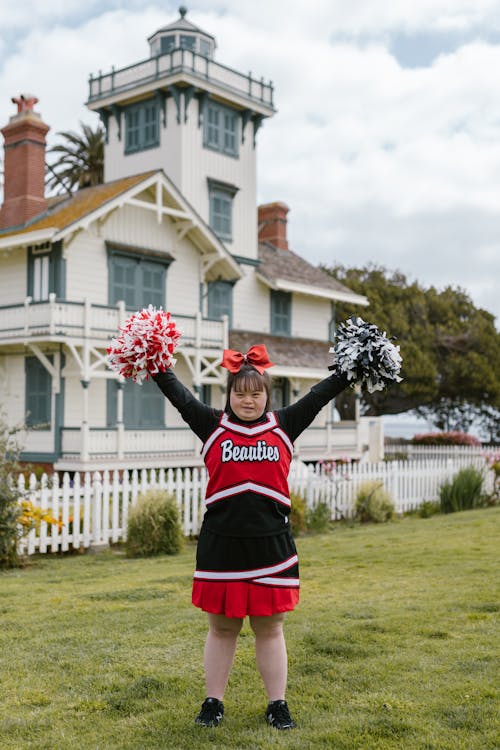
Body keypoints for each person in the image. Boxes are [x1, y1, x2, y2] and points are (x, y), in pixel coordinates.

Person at [153, 344, 349, 730]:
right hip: (221, 548)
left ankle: (278, 704)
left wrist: (347, 372)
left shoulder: (284, 424)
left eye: (256, 392)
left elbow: (319, 395)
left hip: (271, 548)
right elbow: (178, 394)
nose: (248, 399)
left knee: (270, 627)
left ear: (267, 395)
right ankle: (213, 702)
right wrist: (156, 364)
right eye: (240, 392)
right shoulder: (211, 424)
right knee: (222, 628)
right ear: (228, 394)